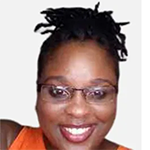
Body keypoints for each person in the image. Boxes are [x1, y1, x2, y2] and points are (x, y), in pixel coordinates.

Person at [0, 2, 131, 150]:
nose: (78, 111)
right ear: (37, 91)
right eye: (58, 92)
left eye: (98, 93)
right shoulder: (7, 140)